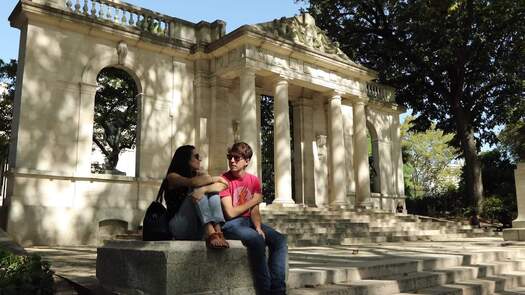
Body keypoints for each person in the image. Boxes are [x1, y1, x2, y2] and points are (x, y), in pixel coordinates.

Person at [219, 142, 287, 295]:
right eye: (230, 157)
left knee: (280, 240)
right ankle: (264, 291)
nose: (232, 161)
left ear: (247, 161)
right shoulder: (224, 180)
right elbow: (229, 212)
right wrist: (253, 200)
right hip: (230, 224)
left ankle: (278, 290)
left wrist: (258, 227)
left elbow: (254, 210)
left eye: (236, 158)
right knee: (257, 240)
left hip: (248, 222)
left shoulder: (254, 180)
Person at [162, 145, 229, 249]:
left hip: (196, 227)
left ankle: (218, 230)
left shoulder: (198, 176)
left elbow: (224, 185)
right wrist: (215, 178)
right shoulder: (172, 177)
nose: (200, 159)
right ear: (186, 159)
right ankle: (211, 232)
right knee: (198, 188)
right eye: (196, 156)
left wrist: (205, 189)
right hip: (178, 227)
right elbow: (193, 182)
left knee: (209, 190)